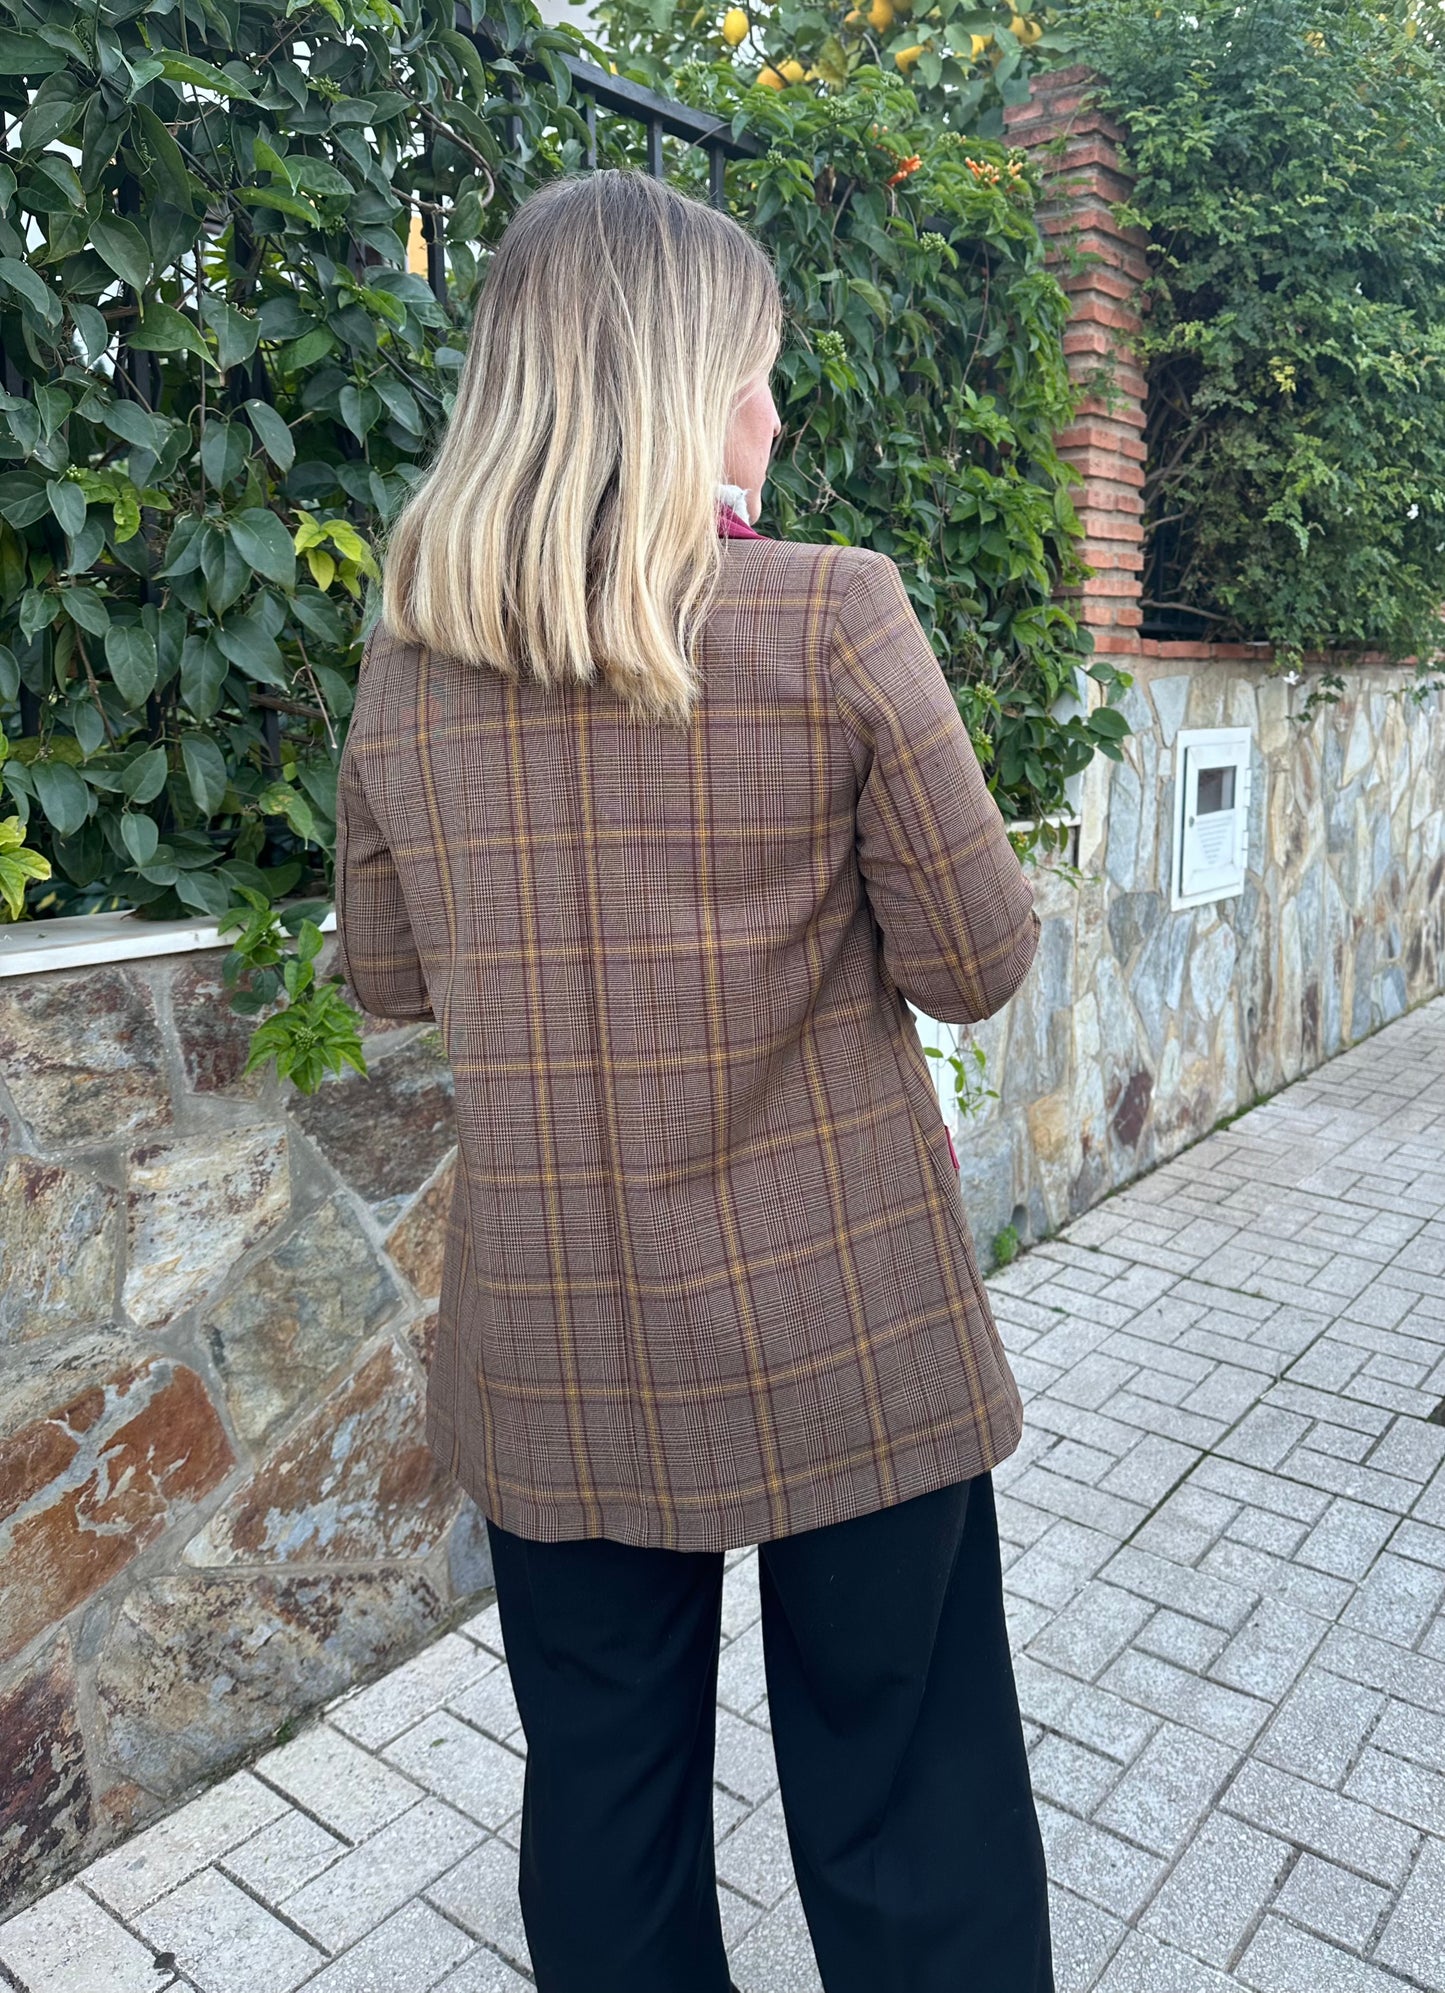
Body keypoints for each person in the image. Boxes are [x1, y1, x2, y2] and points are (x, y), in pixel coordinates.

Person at [337, 168, 1052, 1993]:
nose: (777, 413)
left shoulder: (407, 673)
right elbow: (973, 963)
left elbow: (392, 980)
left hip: (557, 1337)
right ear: (682, 390)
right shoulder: (831, 614)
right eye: (758, 370)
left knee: (605, 1806)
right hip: (840, 1317)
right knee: (909, 1807)